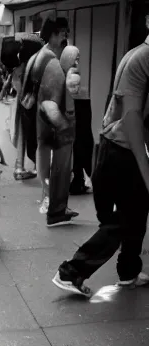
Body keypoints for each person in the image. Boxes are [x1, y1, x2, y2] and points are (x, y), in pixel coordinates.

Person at [52, 35, 149, 297]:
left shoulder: (137, 53)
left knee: (136, 215)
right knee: (124, 220)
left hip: (116, 146)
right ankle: (71, 272)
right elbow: (131, 116)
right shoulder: (144, 57)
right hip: (125, 150)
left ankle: (129, 272)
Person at [23, 17, 78, 227]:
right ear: (54, 34)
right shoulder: (52, 63)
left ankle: (48, 198)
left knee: (44, 156)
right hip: (50, 120)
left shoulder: (37, 56)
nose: (65, 36)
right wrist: (66, 127)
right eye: (63, 32)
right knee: (60, 166)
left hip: (39, 120)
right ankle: (56, 207)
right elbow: (51, 103)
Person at [12, 36, 43, 180]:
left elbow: (15, 84)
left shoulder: (20, 66)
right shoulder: (34, 65)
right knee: (33, 136)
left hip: (21, 103)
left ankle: (19, 166)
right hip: (32, 105)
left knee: (22, 136)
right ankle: (34, 167)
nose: (20, 49)